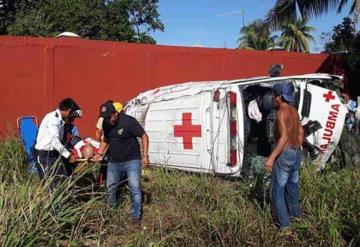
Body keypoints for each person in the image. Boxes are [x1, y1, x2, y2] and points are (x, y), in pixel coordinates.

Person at [93, 101, 149, 223]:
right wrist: (99, 153)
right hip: (114, 162)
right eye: (105, 118)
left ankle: (135, 217)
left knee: (134, 188)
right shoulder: (106, 124)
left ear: (115, 114)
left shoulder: (129, 121)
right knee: (111, 188)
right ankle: (111, 215)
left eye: (109, 117)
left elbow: (144, 136)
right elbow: (106, 139)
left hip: (132, 161)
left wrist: (145, 156)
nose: (107, 120)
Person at [264, 82, 304, 231]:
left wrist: (271, 158)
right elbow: (300, 131)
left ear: (279, 96)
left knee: (277, 190)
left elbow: (284, 137)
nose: (273, 99)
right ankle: (296, 217)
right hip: (295, 153)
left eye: (274, 96)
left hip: (285, 152)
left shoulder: (280, 113)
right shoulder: (294, 111)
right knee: (292, 187)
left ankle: (285, 226)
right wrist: (298, 148)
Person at [34, 98, 81, 180]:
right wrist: (69, 156)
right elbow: (55, 142)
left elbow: (60, 140)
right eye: (71, 116)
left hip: (54, 155)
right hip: (44, 155)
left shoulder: (60, 120)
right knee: (50, 186)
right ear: (68, 111)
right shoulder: (53, 119)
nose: (72, 120)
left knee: (62, 180)